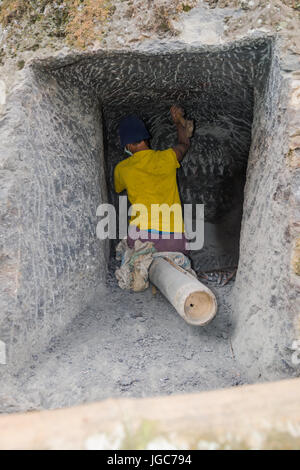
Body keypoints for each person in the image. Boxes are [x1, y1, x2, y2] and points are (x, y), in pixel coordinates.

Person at [114, 105, 192, 254]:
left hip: (141, 239)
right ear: (146, 139)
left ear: (128, 145)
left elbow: (118, 188)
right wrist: (177, 122)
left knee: (129, 253)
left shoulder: (122, 169)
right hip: (173, 240)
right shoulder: (168, 157)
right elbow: (184, 144)